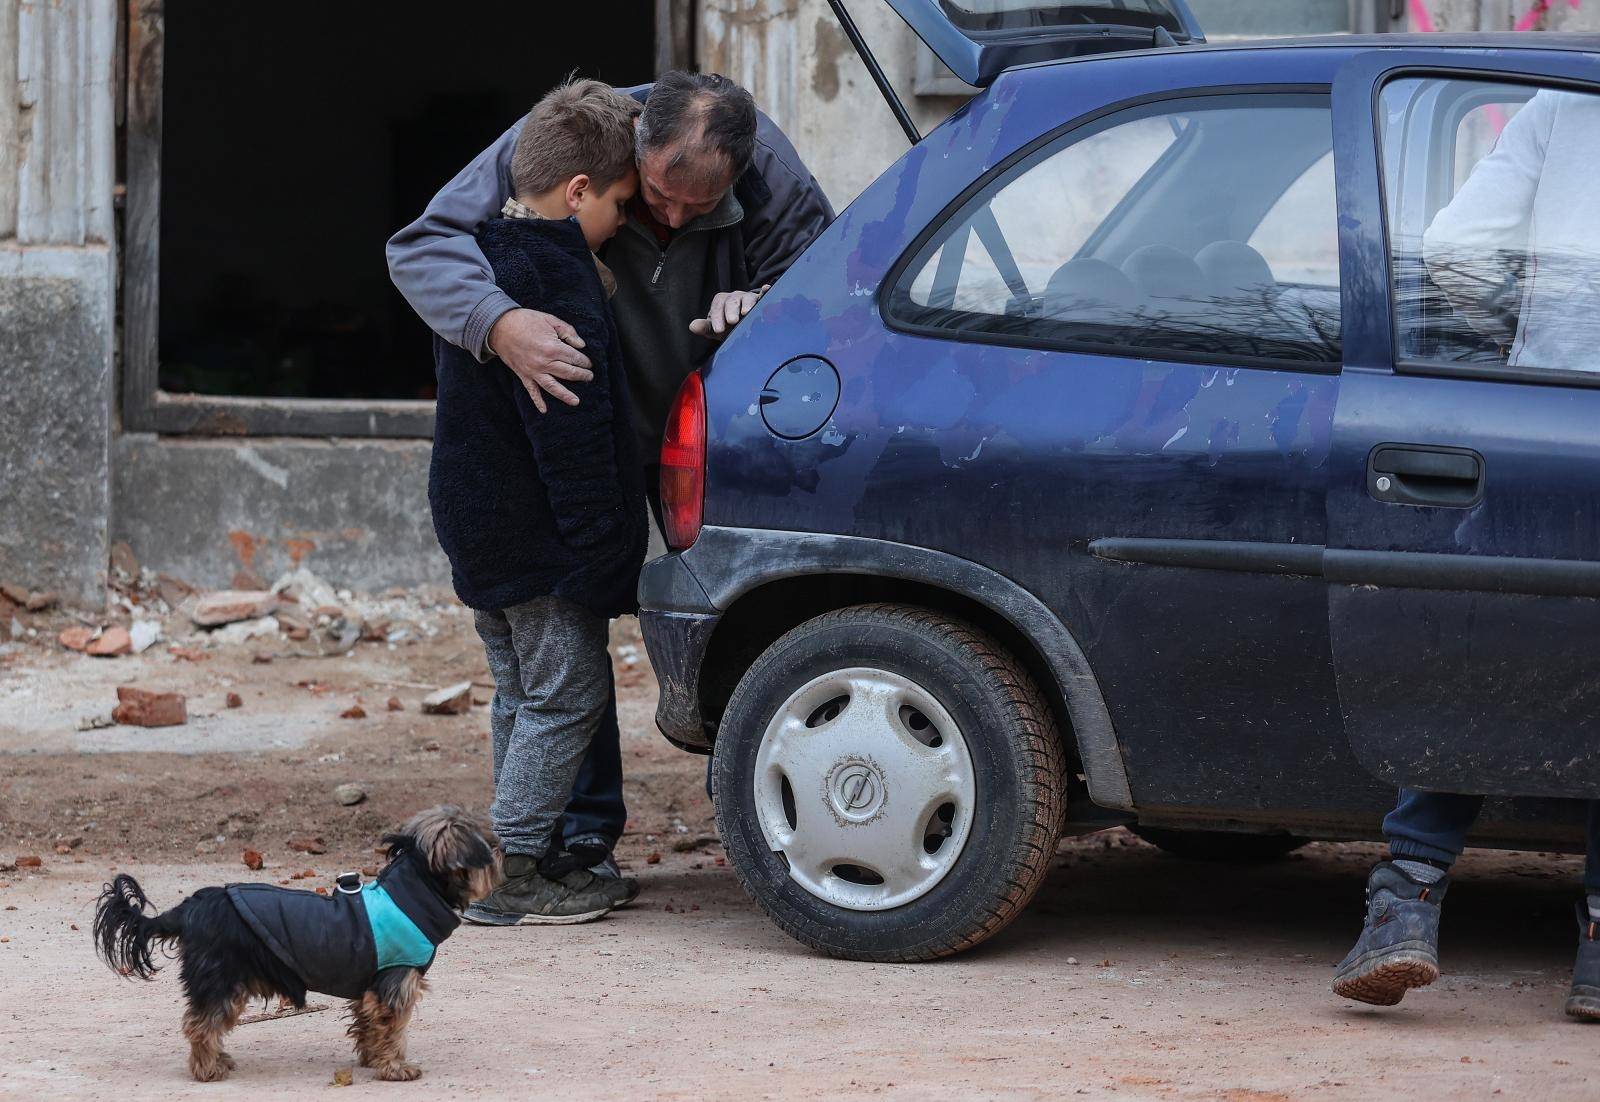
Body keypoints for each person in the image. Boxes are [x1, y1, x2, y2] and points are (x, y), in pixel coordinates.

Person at [388, 71, 833, 892]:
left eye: (698, 209)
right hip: (575, 438)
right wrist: (501, 324)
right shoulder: (579, 134)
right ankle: (562, 846)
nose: (666, 219)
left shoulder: (774, 176)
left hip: (706, 444)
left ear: (737, 175)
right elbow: (421, 245)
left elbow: (830, 294)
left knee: (727, 622)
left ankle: (764, 815)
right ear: (628, 153)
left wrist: (766, 308)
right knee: (569, 647)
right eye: (653, 196)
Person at [1335, 88, 1600, 1016]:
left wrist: (1511, 337)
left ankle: (1404, 899)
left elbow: (1452, 248)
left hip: (1544, 416)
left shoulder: (1562, 104)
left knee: (1488, 655)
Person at [426, 78, 648, 925]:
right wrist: (607, 553)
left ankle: (517, 850)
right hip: (543, 536)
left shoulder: (480, 255)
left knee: (521, 691)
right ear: (579, 191)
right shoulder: (556, 280)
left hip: (478, 521)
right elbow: (576, 435)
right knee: (568, 695)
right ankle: (512, 871)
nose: (625, 224)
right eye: (621, 204)